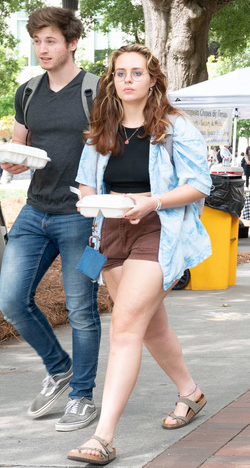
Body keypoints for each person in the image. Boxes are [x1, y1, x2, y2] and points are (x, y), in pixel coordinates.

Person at [67, 43, 212, 465]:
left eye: (136, 72)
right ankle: (190, 392)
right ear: (111, 80)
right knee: (150, 327)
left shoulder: (174, 128)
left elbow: (198, 185)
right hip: (109, 231)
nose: (127, 80)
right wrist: (89, 202)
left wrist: (152, 202)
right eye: (119, 73)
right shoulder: (102, 129)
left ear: (153, 79)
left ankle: (103, 437)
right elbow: (88, 184)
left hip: (158, 228)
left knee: (125, 329)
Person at [0, 7, 102, 432]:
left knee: (81, 310)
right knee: (11, 301)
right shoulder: (27, 92)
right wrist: (13, 162)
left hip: (80, 217)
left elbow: (115, 146)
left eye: (51, 40)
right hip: (35, 212)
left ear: (72, 42)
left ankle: (82, 396)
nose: (42, 48)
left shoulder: (97, 92)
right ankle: (59, 369)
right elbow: (21, 146)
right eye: (37, 40)